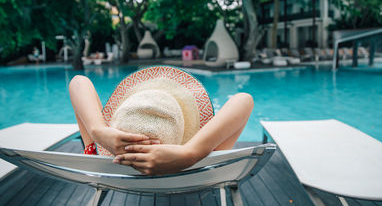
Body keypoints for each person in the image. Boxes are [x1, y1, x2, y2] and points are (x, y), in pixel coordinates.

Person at [69, 66, 253, 176]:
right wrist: (190, 152)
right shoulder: (205, 160)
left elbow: (78, 81)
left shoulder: (97, 159)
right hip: (195, 177)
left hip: (112, 177)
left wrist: (98, 131)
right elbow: (244, 100)